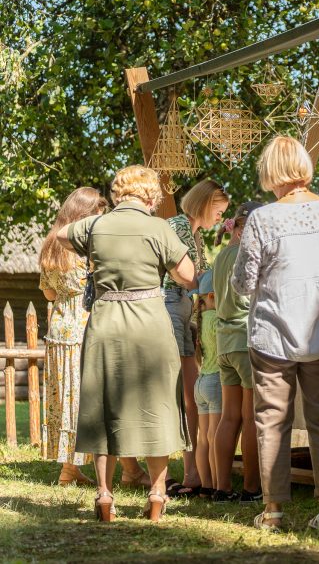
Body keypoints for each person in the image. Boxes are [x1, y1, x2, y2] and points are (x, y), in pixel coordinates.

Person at [56, 165, 197, 522]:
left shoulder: (96, 225)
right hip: (149, 320)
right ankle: (157, 493)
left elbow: (61, 235)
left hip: (106, 321)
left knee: (104, 405)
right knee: (159, 402)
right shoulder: (159, 227)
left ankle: (104, 495)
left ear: (119, 193)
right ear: (151, 195)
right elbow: (188, 275)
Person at [232, 135, 319, 533]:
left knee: (272, 423)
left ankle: (274, 512)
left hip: (274, 335)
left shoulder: (262, 218)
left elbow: (244, 283)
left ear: (269, 171)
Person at [163, 178, 229, 496]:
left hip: (184, 311)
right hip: (171, 307)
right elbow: (188, 278)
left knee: (191, 397)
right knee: (182, 395)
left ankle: (193, 472)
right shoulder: (177, 225)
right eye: (218, 211)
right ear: (205, 204)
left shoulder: (194, 233)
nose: (219, 218)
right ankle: (187, 471)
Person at [38, 187, 107, 486]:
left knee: (64, 398)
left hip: (59, 329)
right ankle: (77, 467)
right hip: (84, 327)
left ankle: (69, 468)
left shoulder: (50, 245)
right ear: (84, 215)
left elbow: (49, 292)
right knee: (84, 399)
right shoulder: (85, 248)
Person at [212, 201, 263, 505]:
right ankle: (251, 487)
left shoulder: (220, 257)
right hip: (245, 339)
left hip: (223, 342)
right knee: (251, 416)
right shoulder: (247, 255)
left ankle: (220, 488)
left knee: (228, 417)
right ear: (243, 229)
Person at [193, 270, 221, 499]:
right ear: (213, 296)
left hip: (200, 382)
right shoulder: (216, 320)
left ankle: (205, 485)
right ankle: (217, 481)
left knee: (203, 437)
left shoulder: (200, 321)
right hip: (216, 382)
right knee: (214, 436)